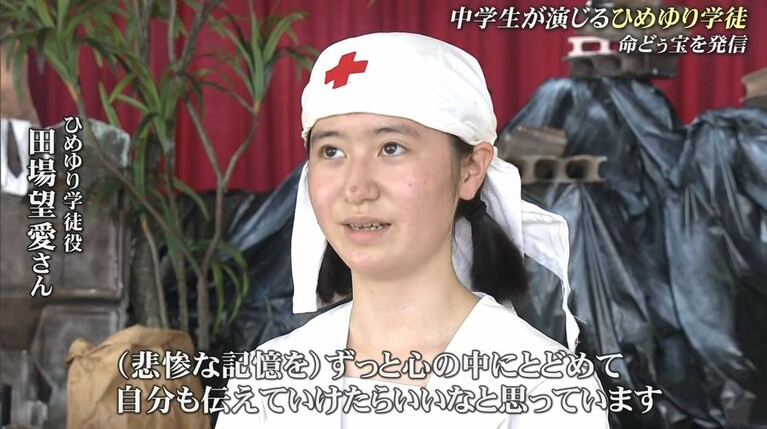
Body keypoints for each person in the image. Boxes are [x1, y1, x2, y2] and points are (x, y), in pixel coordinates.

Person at [216, 32, 609, 428]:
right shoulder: (268, 379)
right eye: (332, 151)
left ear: (471, 169)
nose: (357, 188)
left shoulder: (544, 387)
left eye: (391, 148)